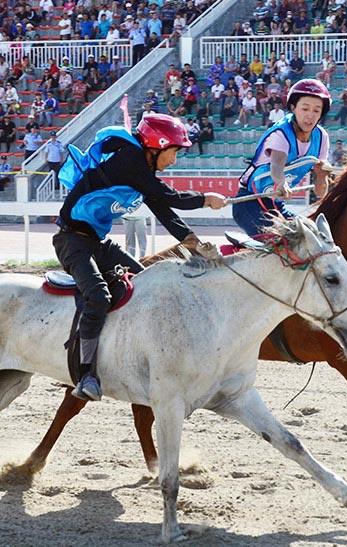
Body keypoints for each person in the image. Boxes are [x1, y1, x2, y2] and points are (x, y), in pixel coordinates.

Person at [54, 114, 228, 401]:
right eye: (173, 152)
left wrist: (192, 242)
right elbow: (171, 198)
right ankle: (85, 374)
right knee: (97, 296)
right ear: (157, 146)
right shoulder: (130, 160)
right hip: (71, 242)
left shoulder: (140, 170)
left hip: (98, 243)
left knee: (143, 284)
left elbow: (163, 209)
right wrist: (205, 198)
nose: (174, 160)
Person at [232, 79, 332, 236]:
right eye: (305, 109)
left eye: (316, 111)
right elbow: (277, 166)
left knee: (314, 237)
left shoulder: (322, 138)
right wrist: (281, 183)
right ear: (293, 107)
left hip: (276, 205)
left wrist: (321, 175)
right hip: (249, 202)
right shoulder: (281, 133)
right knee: (283, 243)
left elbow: (320, 192)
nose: (310, 116)